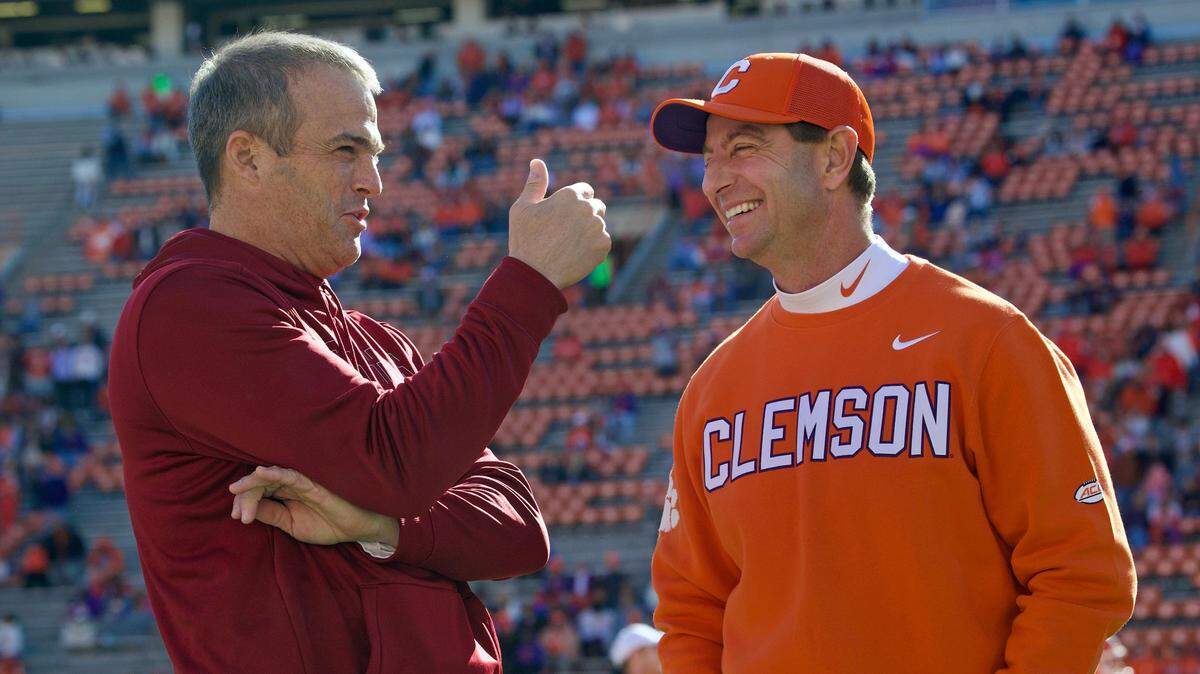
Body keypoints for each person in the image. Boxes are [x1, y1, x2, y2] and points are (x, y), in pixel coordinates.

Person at [108, 32, 610, 673]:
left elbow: (518, 528)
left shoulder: (374, 339)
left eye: (373, 154)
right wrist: (529, 284)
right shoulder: (188, 307)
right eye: (346, 150)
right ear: (249, 158)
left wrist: (380, 529)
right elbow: (393, 460)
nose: (373, 180)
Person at [648, 52, 1135, 673]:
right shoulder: (712, 388)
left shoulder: (986, 340)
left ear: (834, 157)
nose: (715, 180)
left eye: (743, 147)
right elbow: (691, 612)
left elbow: (1083, 573)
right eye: (710, 158)